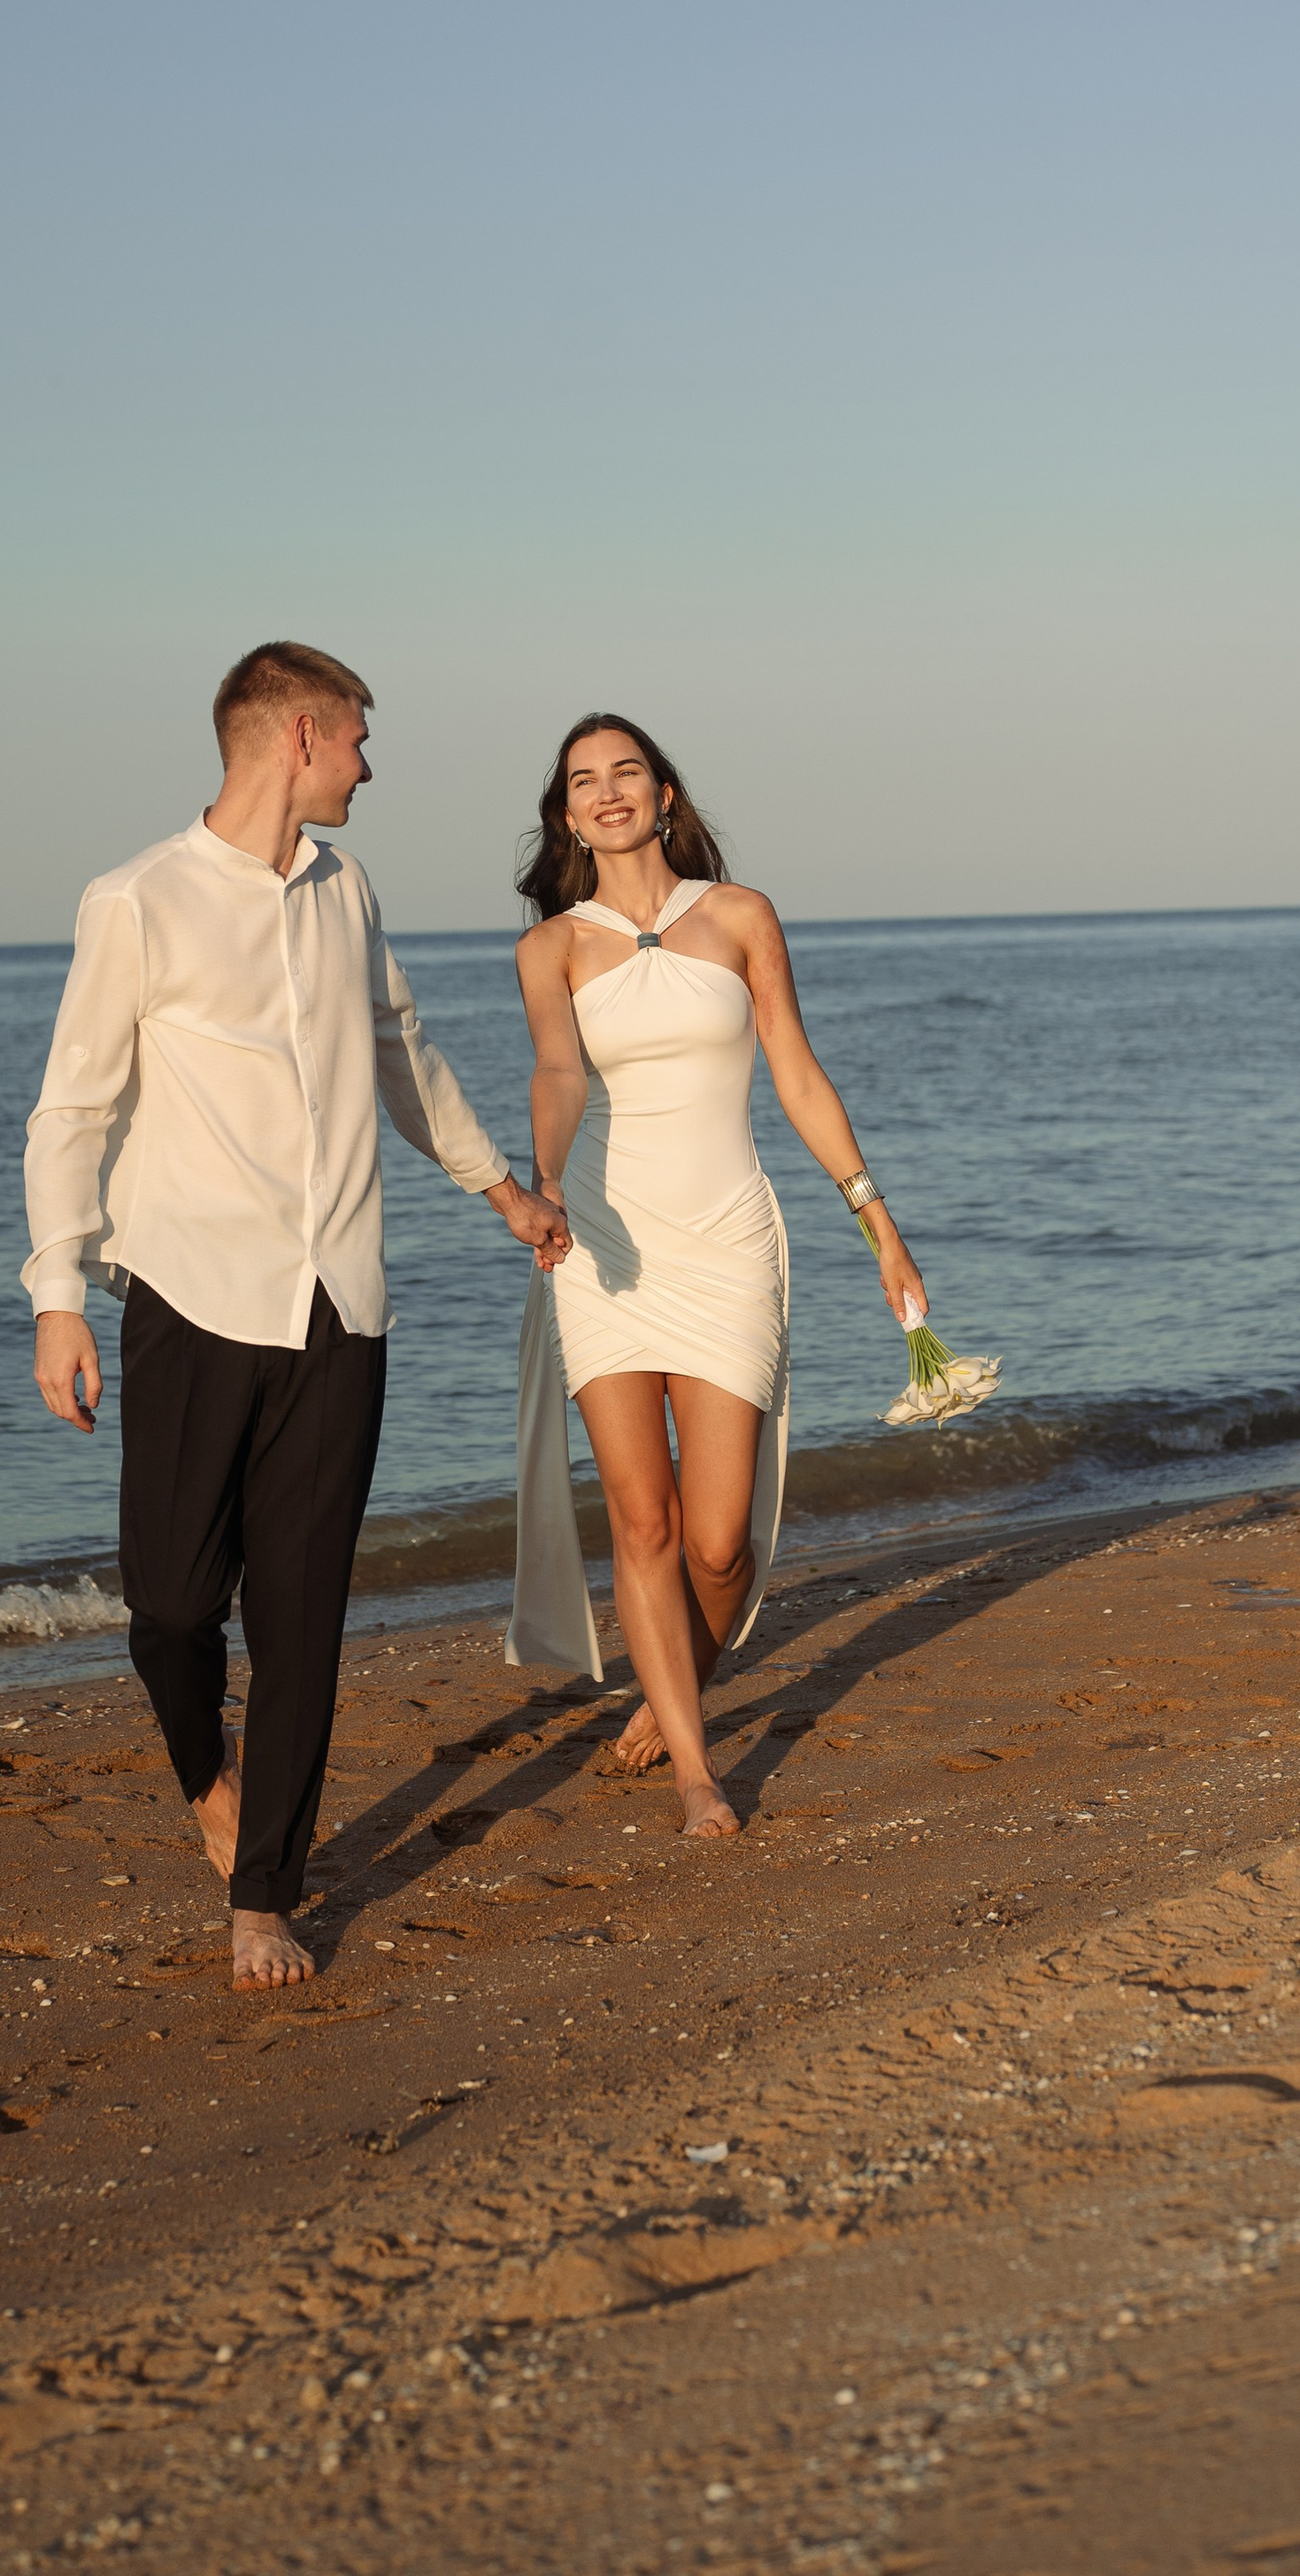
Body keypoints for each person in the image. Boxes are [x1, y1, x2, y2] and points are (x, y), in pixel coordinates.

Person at [23, 643, 569, 1988]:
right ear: (303, 734)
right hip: (190, 1299)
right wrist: (56, 1296)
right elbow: (70, 1112)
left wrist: (497, 1185)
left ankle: (264, 1894)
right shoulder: (137, 899)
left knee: (304, 1616)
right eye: (361, 743)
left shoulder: (348, 890)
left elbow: (402, 1052)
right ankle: (204, 1770)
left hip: (341, 1303)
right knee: (167, 1605)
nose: (371, 769)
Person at [504, 713, 927, 1839]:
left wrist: (874, 1218)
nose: (606, 794)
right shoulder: (549, 949)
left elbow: (793, 1067)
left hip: (728, 1238)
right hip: (600, 1244)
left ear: (664, 793)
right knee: (640, 1522)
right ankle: (698, 1774)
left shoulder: (741, 917)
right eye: (582, 781)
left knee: (719, 1540)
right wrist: (540, 1186)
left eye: (625, 772)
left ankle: (668, 1681)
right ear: (565, 814)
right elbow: (557, 1070)